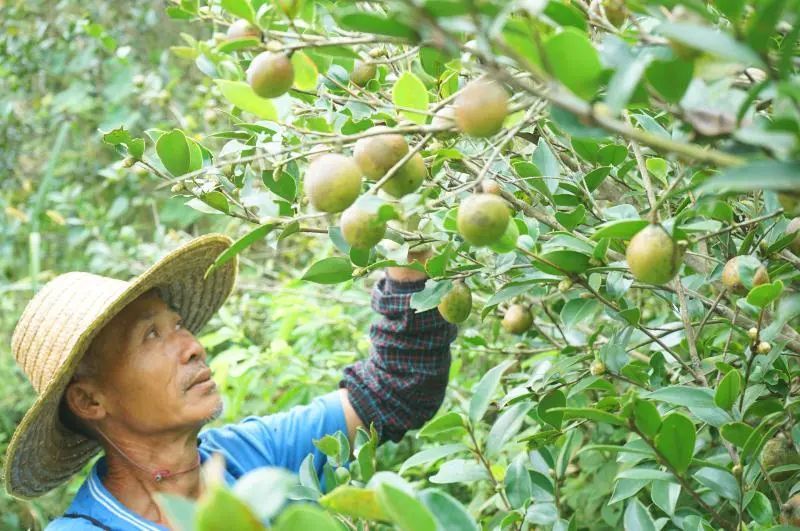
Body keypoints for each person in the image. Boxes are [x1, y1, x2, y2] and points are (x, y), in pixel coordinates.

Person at [4, 234, 457, 530]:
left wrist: (409, 248)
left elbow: (395, 389)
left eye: (178, 324)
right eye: (151, 335)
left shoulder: (249, 455)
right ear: (89, 400)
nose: (193, 346)